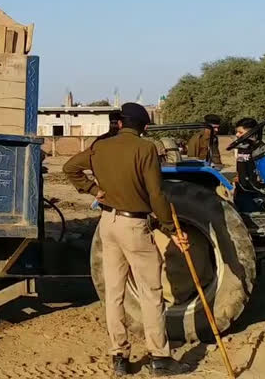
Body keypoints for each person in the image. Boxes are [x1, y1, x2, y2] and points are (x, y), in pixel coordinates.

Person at [63, 103, 187, 377]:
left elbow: (69, 167)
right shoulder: (145, 149)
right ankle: (160, 357)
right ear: (143, 127)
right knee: (151, 293)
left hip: (108, 223)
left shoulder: (101, 147)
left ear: (120, 123)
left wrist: (93, 189)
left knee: (115, 293)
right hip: (134, 226)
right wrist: (170, 228)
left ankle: (119, 356)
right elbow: (156, 194)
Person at [232, 117, 265, 212]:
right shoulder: (242, 148)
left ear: (251, 132)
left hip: (255, 192)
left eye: (240, 132)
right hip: (241, 190)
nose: (237, 135)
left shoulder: (260, 149)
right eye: (237, 132)